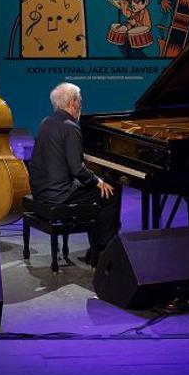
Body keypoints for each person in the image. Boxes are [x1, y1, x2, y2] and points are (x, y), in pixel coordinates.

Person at [28, 82, 121, 264]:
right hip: (59, 194)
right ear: (72, 102)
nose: (80, 104)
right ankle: (103, 252)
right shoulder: (70, 126)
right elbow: (77, 169)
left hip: (41, 190)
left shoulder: (46, 121)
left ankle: (95, 248)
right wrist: (98, 181)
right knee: (110, 194)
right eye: (80, 101)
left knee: (96, 190)